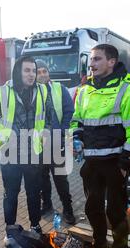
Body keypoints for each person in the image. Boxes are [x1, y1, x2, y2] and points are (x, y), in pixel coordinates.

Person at [71, 44, 130, 248]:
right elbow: (77, 120)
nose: (91, 64)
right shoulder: (84, 91)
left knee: (116, 213)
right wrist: (76, 138)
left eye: (97, 59)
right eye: (91, 60)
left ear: (111, 62)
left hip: (115, 164)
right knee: (92, 209)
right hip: (91, 165)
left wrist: (126, 161)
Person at [0, 56, 53, 247]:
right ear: (18, 72)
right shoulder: (2, 92)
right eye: (27, 70)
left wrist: (46, 137)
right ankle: (10, 230)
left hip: (33, 153)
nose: (32, 75)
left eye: (34, 71)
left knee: (34, 193)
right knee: (10, 193)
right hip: (10, 153)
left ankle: (35, 226)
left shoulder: (44, 91)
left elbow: (50, 118)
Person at [35, 59, 76, 225]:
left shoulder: (60, 89)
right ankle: (47, 205)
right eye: (39, 72)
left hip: (56, 142)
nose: (43, 74)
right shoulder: (31, 91)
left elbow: (69, 111)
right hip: (38, 144)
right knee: (42, 178)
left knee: (60, 177)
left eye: (45, 71)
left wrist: (61, 132)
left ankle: (68, 209)